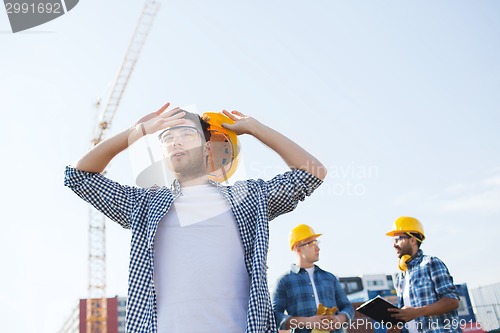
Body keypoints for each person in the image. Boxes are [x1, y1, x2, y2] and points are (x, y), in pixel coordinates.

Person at [64, 102, 327, 333]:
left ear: (206, 149)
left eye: (187, 134)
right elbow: (78, 177)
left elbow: (312, 173)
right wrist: (136, 132)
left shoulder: (247, 199)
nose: (176, 141)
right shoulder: (145, 205)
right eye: (167, 138)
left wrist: (255, 128)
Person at [272, 224, 353, 333]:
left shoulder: (330, 278)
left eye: (317, 242)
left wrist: (339, 318)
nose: (318, 248)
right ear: (298, 248)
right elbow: (275, 316)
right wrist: (306, 321)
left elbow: (347, 307)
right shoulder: (284, 282)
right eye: (312, 243)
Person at [385, 216, 461, 333]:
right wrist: (397, 326)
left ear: (413, 240)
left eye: (398, 239)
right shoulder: (400, 277)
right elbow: (406, 316)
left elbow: (452, 301)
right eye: (393, 240)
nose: (394, 245)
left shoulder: (431, 263)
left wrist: (417, 312)